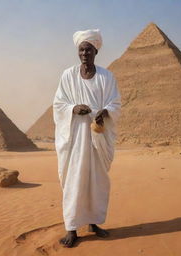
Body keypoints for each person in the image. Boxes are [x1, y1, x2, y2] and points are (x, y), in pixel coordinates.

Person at [53, 29, 121, 248]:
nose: (84, 53)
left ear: (95, 51)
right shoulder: (68, 75)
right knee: (73, 182)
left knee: (97, 182)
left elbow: (115, 103)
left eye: (89, 50)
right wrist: (74, 108)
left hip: (97, 138)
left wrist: (106, 112)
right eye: (81, 49)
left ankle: (93, 223)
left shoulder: (106, 76)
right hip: (74, 141)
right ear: (78, 51)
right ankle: (71, 228)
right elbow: (59, 104)